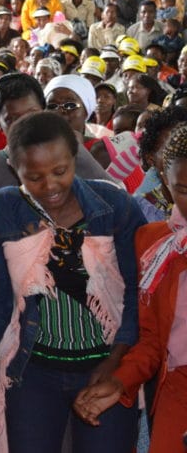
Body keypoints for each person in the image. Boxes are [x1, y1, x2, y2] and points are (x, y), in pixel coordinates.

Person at [0, 111, 145, 453]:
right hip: (32, 372)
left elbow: (136, 295)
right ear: (13, 166)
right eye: (34, 177)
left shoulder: (114, 207)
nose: (50, 186)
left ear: (75, 155)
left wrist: (115, 363)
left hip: (108, 366)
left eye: (60, 171)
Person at [73, 122, 187, 453]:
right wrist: (119, 383)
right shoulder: (154, 244)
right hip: (177, 391)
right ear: (165, 183)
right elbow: (152, 340)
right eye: (183, 189)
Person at [0, 74, 113, 211]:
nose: (26, 125)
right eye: (13, 119)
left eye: (32, 114)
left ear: (44, 112)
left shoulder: (71, 152)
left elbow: (114, 195)